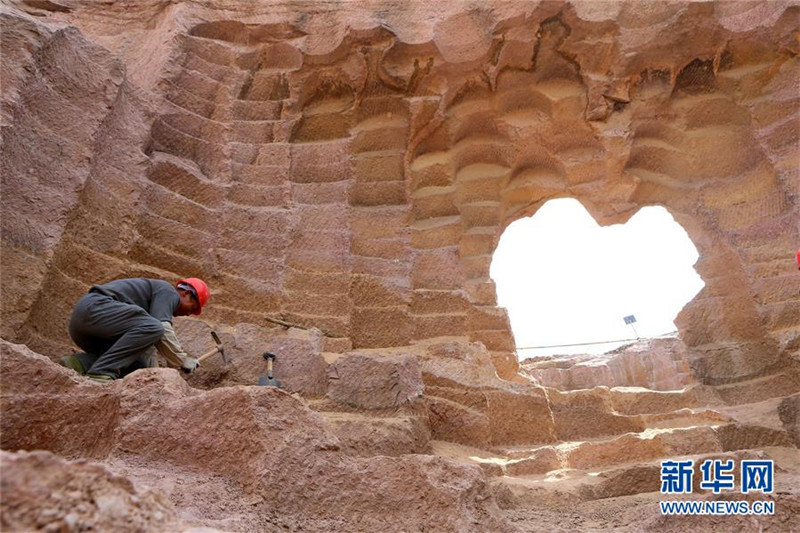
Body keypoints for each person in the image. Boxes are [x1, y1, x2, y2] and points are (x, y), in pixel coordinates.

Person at [59, 277, 209, 383]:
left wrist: (156, 380)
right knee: (155, 327)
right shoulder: (167, 291)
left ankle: (81, 363)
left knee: (137, 368)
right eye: (193, 308)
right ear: (186, 294)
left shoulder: (142, 323)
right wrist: (183, 360)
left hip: (85, 327)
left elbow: (149, 351)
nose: (190, 313)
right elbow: (162, 328)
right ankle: (100, 373)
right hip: (96, 309)